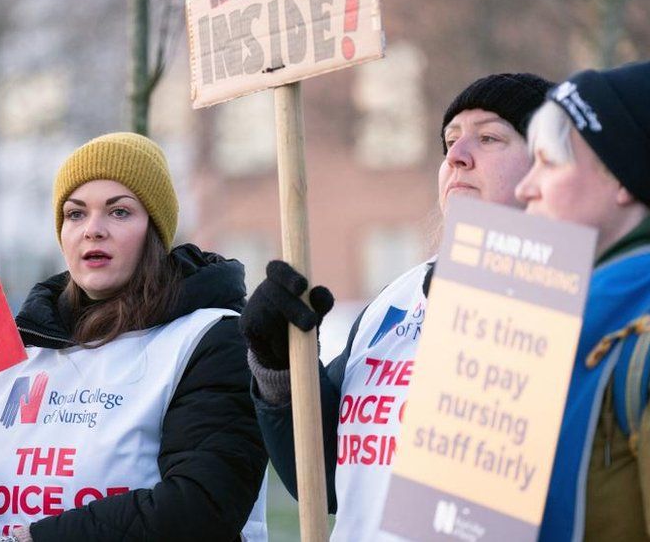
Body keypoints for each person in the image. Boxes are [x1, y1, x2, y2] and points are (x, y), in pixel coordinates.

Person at [0, 132, 269, 541]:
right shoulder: (19, 352)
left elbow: (200, 509)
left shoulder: (210, 339)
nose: (93, 230)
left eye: (119, 212)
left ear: (155, 230)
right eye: (75, 214)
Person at [239, 72, 553, 541]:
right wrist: (279, 368)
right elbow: (325, 479)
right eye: (449, 141)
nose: (456, 156)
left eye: (488, 137)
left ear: (548, 164)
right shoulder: (401, 296)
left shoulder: (573, 303)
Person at [514, 60, 650, 542]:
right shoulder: (572, 321)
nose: (524, 188)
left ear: (622, 179)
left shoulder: (639, 342)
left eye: (548, 162)